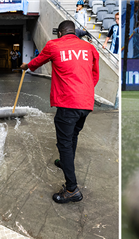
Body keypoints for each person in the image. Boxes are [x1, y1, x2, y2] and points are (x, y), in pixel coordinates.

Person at [20, 20, 99, 204]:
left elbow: (37, 62)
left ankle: (72, 189)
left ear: (61, 32)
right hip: (86, 103)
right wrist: (84, 92)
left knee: (64, 143)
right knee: (73, 136)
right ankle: (65, 163)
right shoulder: (89, 48)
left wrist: (27, 66)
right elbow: (95, 74)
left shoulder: (54, 45)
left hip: (68, 102)